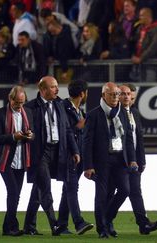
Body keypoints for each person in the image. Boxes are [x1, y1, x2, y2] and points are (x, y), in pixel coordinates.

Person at [23, 76, 80, 236]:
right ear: (42, 90)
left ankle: (29, 226)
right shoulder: (31, 107)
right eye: (53, 87)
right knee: (46, 189)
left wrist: (74, 150)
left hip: (58, 151)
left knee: (38, 189)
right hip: (40, 153)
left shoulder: (60, 104)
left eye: (56, 86)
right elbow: (28, 131)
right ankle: (55, 225)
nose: (57, 89)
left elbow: (68, 130)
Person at [83, 82, 135, 238]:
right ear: (103, 95)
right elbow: (87, 142)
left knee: (125, 190)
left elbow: (128, 140)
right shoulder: (93, 114)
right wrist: (88, 165)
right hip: (101, 161)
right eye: (111, 94)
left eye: (117, 94)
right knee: (101, 195)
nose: (115, 97)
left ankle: (107, 219)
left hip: (120, 159)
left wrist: (132, 159)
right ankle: (102, 229)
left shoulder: (123, 113)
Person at [107, 84, 157, 235]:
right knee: (117, 191)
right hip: (118, 160)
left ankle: (143, 224)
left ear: (132, 97)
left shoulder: (134, 113)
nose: (125, 96)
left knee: (135, 192)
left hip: (133, 160)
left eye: (128, 94)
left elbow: (139, 138)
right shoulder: (114, 113)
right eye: (122, 94)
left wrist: (141, 159)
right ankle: (107, 220)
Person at [0, 85, 34, 236]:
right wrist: (12, 137)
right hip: (6, 160)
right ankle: (11, 227)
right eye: (17, 102)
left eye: (22, 102)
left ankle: (8, 227)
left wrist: (29, 135)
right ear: (10, 99)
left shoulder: (28, 112)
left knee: (16, 194)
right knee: (14, 193)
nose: (19, 105)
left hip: (22, 160)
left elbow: (32, 134)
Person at [57, 80, 94, 235]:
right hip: (69, 155)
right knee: (72, 188)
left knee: (68, 190)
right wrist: (78, 127)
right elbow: (63, 131)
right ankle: (78, 223)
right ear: (82, 94)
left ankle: (61, 226)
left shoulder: (78, 110)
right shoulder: (64, 108)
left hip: (79, 155)